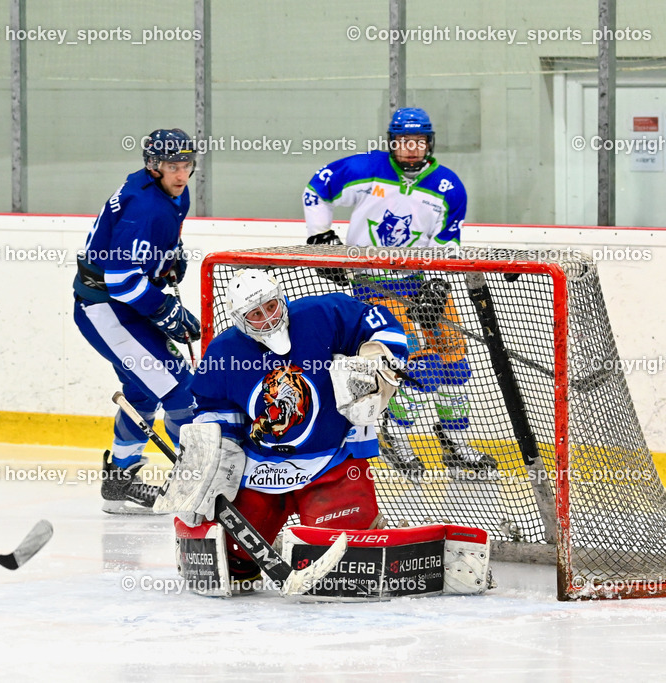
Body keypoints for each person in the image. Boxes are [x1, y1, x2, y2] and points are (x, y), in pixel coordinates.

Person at [156, 269, 408, 589]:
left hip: (331, 462)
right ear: (239, 319)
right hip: (259, 471)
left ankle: (364, 533)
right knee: (218, 553)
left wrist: (380, 355)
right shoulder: (224, 353)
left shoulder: (325, 315)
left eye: (271, 306)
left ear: (281, 298)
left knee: (346, 564)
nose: (268, 318)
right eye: (255, 314)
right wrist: (205, 468)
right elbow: (216, 417)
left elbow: (383, 323)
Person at [302, 106, 496, 475]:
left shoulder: (448, 187)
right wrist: (320, 238)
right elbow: (316, 190)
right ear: (392, 142)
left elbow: (447, 242)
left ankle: (455, 442)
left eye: (418, 141)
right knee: (418, 364)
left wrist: (438, 284)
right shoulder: (366, 169)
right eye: (403, 140)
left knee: (454, 358)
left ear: (429, 143)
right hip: (374, 286)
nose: (410, 148)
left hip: (420, 282)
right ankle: (396, 436)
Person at [73, 128, 200, 514]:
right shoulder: (144, 207)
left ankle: (119, 480)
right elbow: (122, 278)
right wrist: (167, 311)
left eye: (187, 165)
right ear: (153, 166)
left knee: (143, 393)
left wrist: (170, 260)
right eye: (172, 166)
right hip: (106, 310)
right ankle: (197, 480)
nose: (181, 174)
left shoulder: (168, 193)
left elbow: (152, 250)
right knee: (183, 392)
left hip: (123, 306)